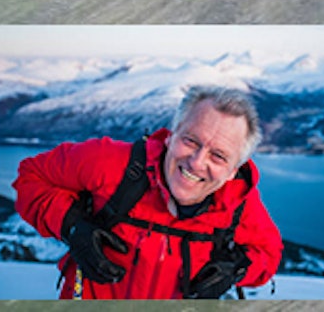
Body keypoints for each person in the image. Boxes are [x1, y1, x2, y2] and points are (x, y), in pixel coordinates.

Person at [14, 85, 283, 299]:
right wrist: (72, 227)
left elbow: (269, 252)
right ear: (170, 135)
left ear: (234, 170)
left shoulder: (238, 202)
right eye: (190, 140)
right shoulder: (109, 163)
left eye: (219, 156)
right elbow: (31, 176)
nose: (197, 162)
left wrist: (235, 270)